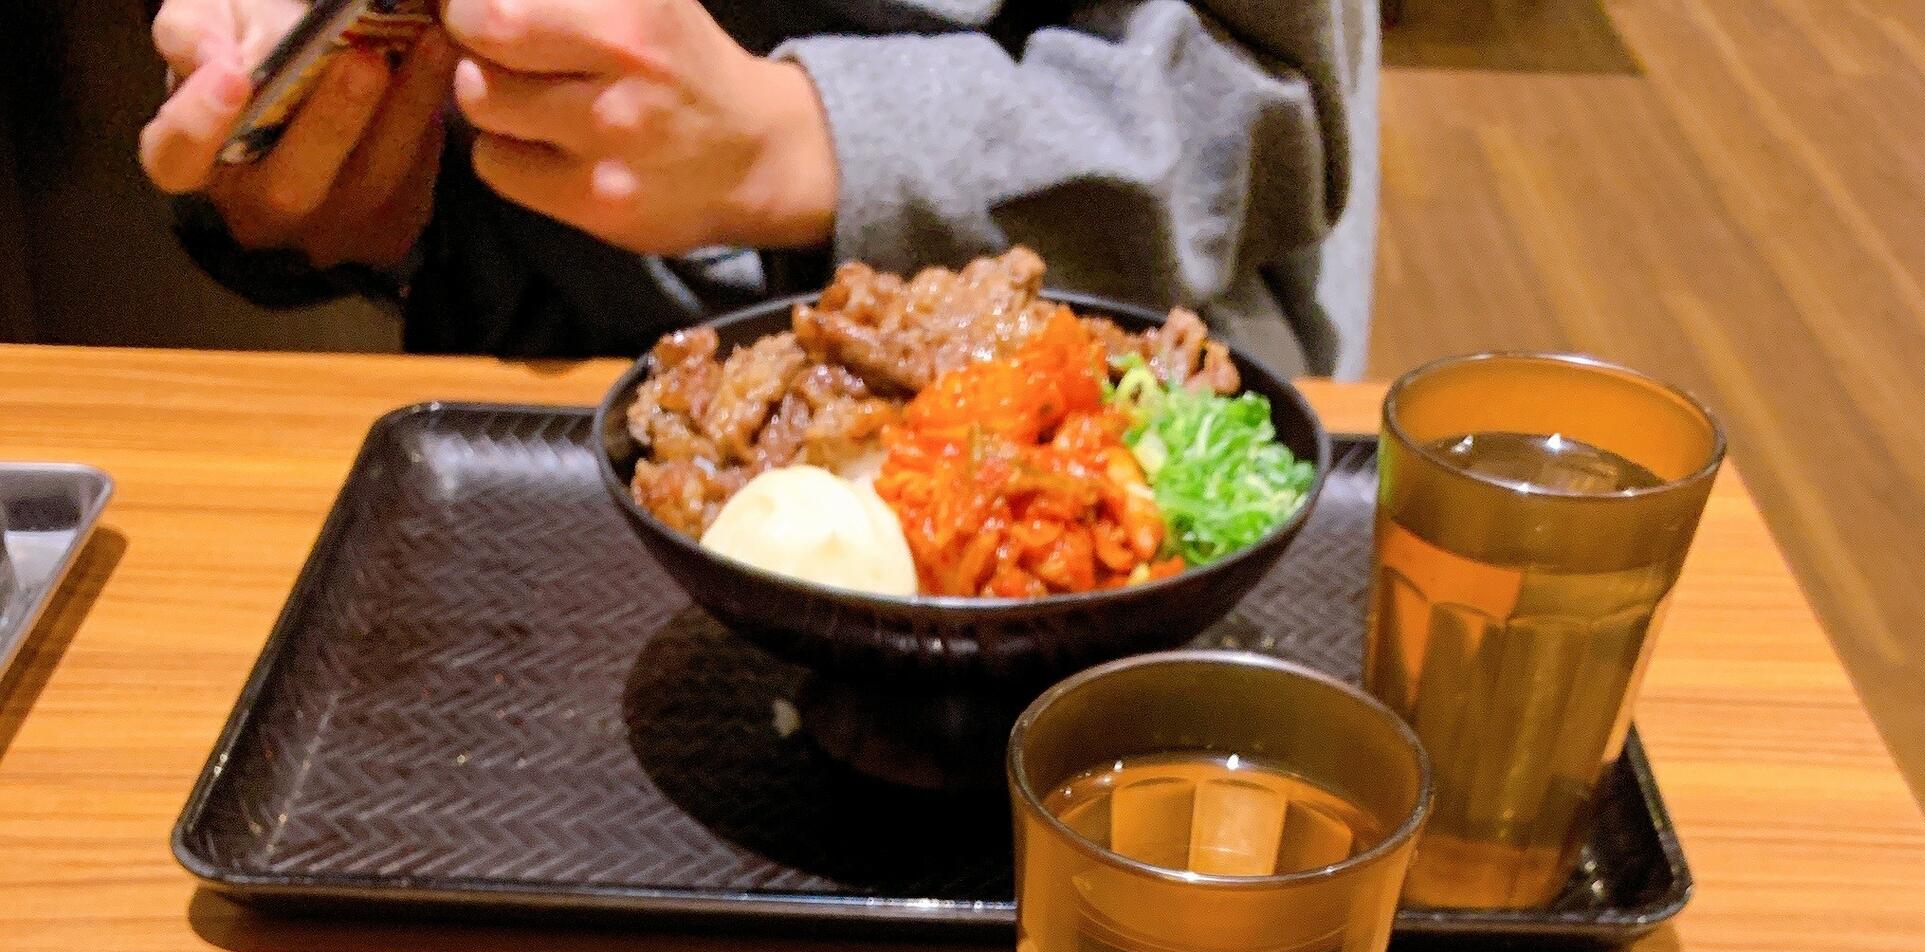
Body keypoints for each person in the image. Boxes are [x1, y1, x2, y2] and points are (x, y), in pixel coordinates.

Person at [139, 0, 1377, 374]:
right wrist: (337, 191)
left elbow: (1256, 116)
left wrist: (797, 142)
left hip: (1090, 409)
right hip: (549, 421)